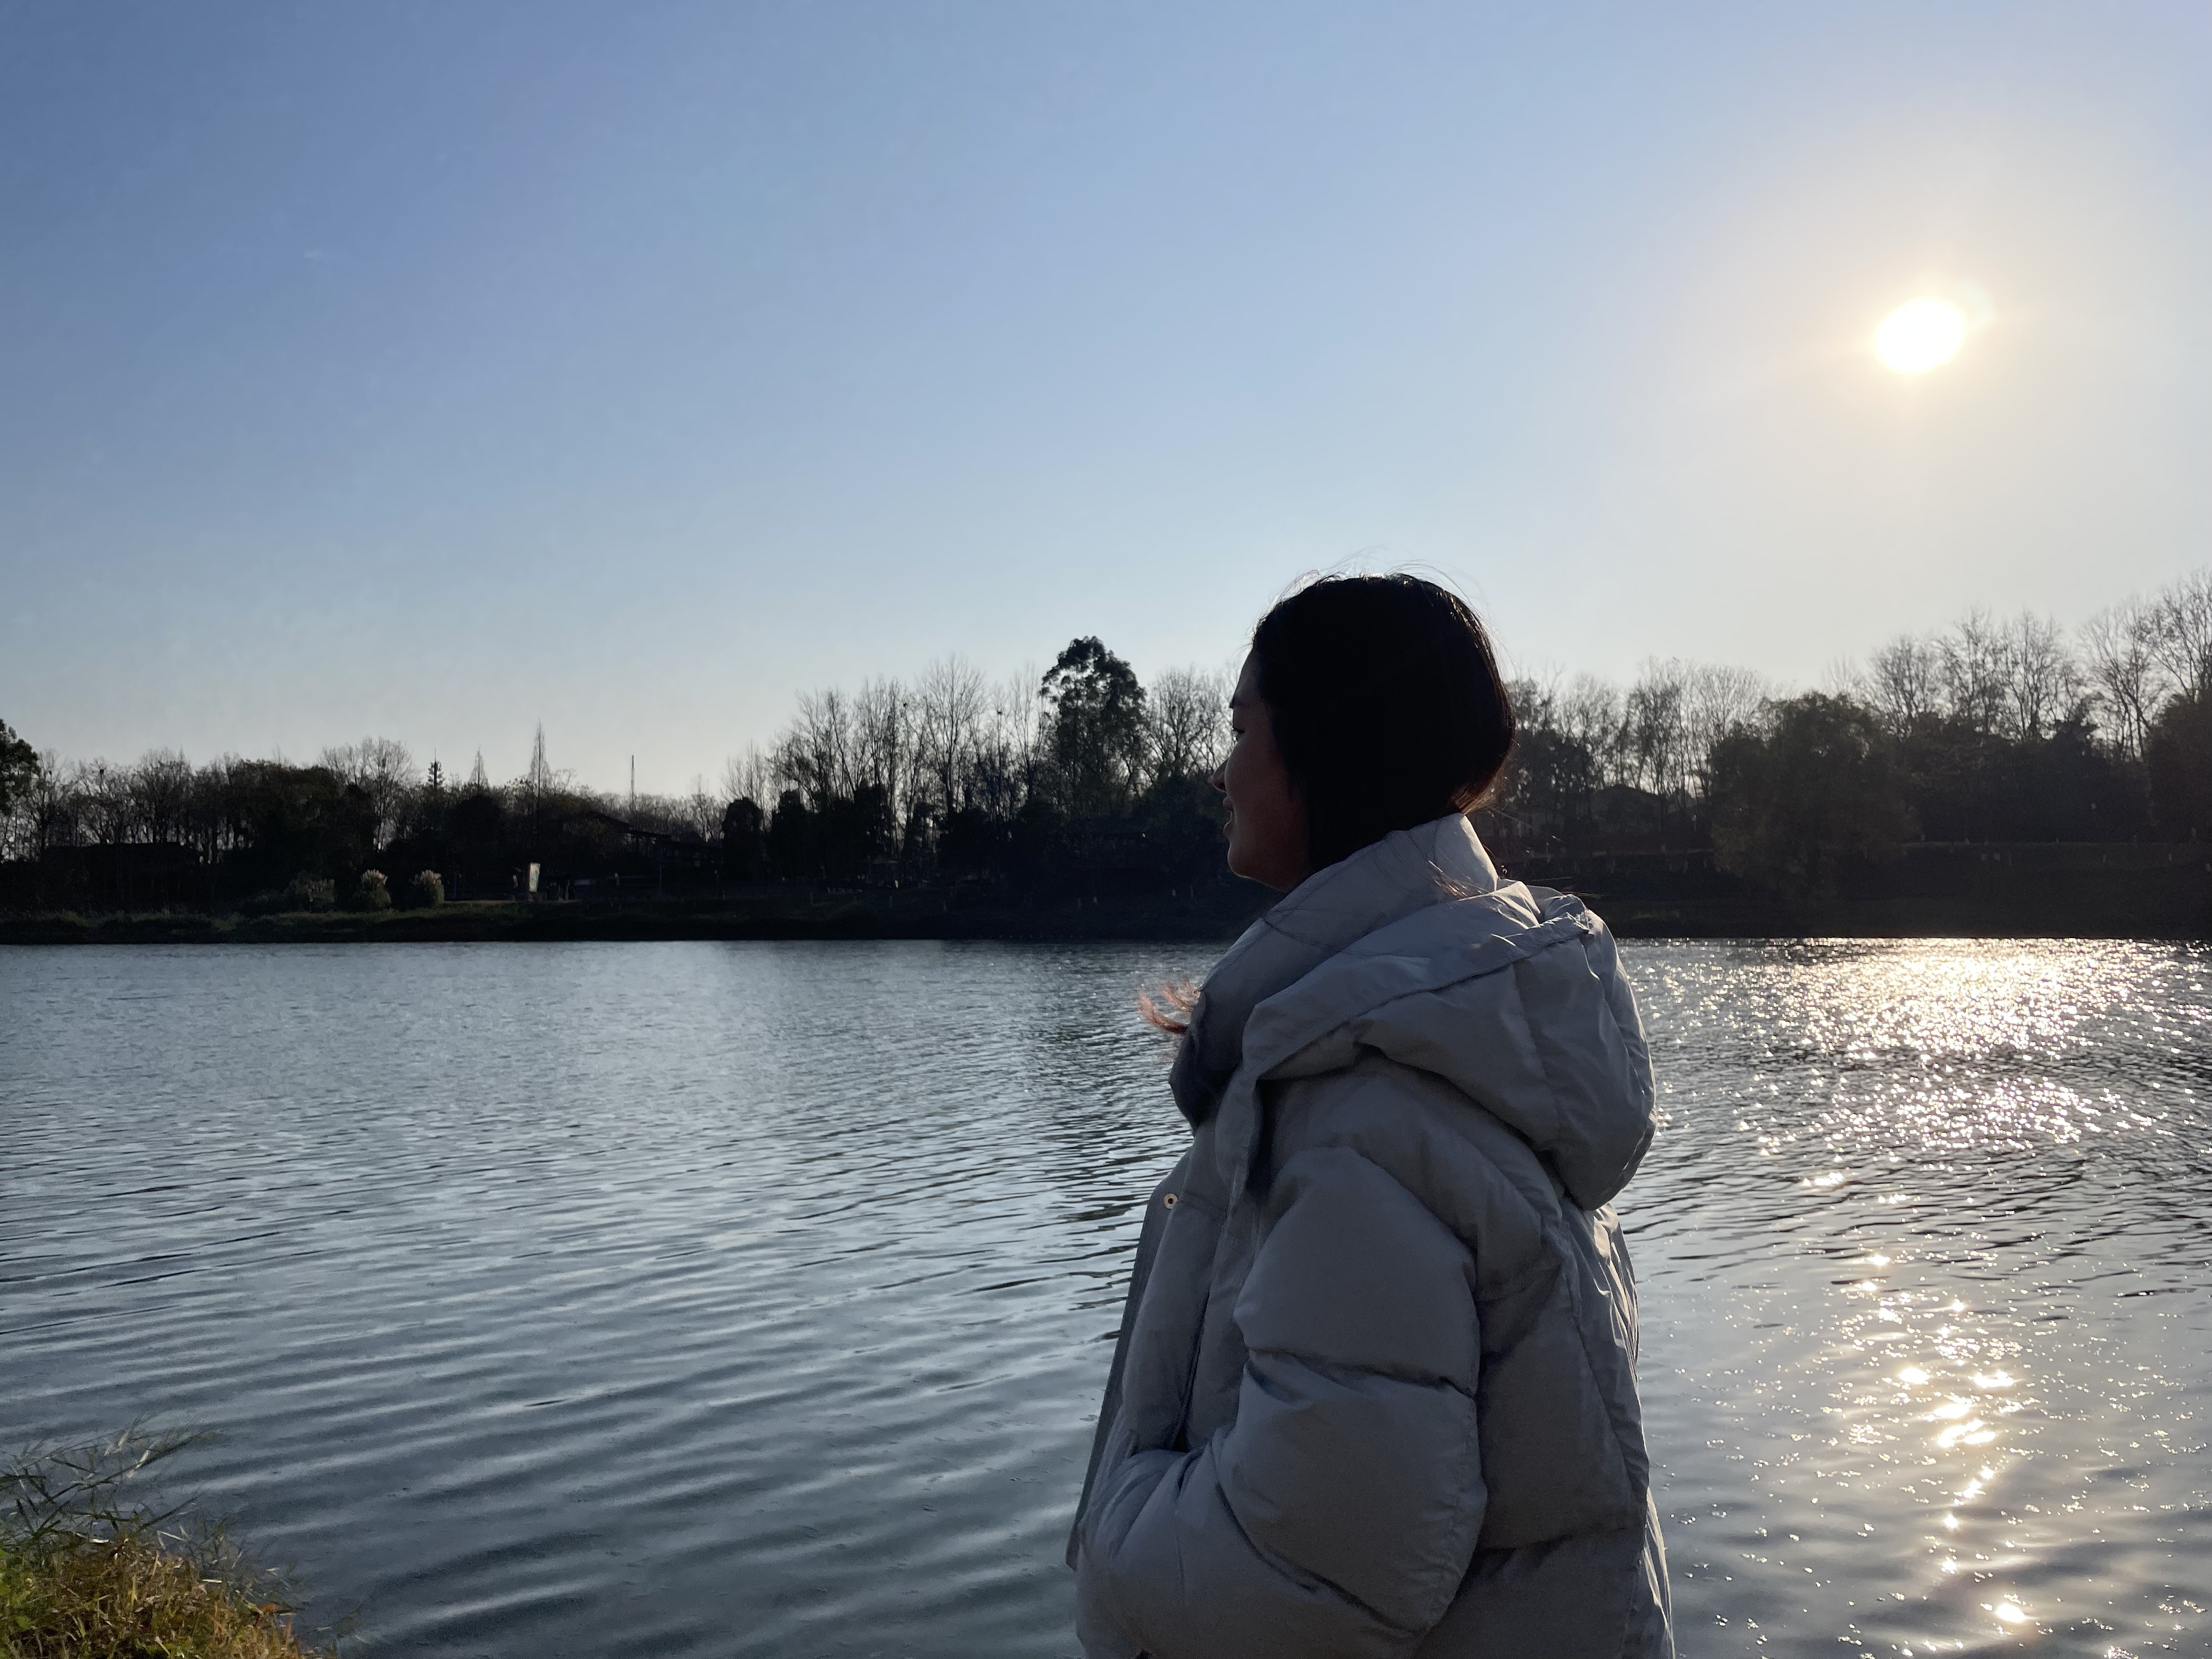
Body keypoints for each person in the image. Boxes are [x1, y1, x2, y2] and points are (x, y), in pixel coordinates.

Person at [1067, 573, 1673, 1659]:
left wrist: (1113, 1516)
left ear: (1322, 747)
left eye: (1241, 728)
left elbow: (1308, 1579)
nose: (1220, 770)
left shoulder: (1364, 1110)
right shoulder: (1448, 1036)